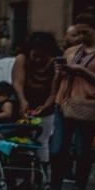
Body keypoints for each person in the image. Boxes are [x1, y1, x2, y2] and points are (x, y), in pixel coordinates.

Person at [52, 14, 95, 190]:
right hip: (64, 103)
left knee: (82, 151)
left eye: (85, 32)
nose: (81, 36)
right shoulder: (71, 51)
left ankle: (77, 188)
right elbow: (58, 79)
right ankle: (54, 186)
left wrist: (83, 71)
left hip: (88, 105)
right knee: (58, 148)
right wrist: (59, 73)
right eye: (78, 32)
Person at [12, 31, 59, 165]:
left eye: (42, 57)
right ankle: (22, 172)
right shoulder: (22, 58)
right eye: (35, 56)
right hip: (24, 105)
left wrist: (46, 106)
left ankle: (40, 175)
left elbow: (54, 92)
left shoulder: (55, 64)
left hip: (45, 107)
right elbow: (17, 82)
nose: (37, 60)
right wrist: (22, 101)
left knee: (42, 141)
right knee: (22, 139)